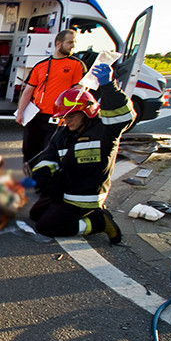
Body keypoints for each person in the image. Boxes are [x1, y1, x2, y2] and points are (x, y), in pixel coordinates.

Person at [27, 63, 135, 244]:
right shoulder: (64, 133)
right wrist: (40, 174)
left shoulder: (105, 130)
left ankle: (99, 222)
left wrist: (108, 86)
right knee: (35, 214)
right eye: (64, 117)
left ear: (86, 112)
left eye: (70, 116)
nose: (66, 120)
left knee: (46, 227)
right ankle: (74, 213)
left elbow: (124, 116)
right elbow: (50, 155)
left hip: (86, 196)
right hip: (66, 191)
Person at [15, 29, 86, 166]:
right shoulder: (41, 65)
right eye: (70, 42)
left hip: (57, 118)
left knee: (49, 151)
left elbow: (79, 90)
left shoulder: (77, 65)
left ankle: (44, 180)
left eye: (75, 42)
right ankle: (30, 178)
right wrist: (20, 112)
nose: (73, 46)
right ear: (58, 43)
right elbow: (28, 90)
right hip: (35, 116)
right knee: (29, 150)